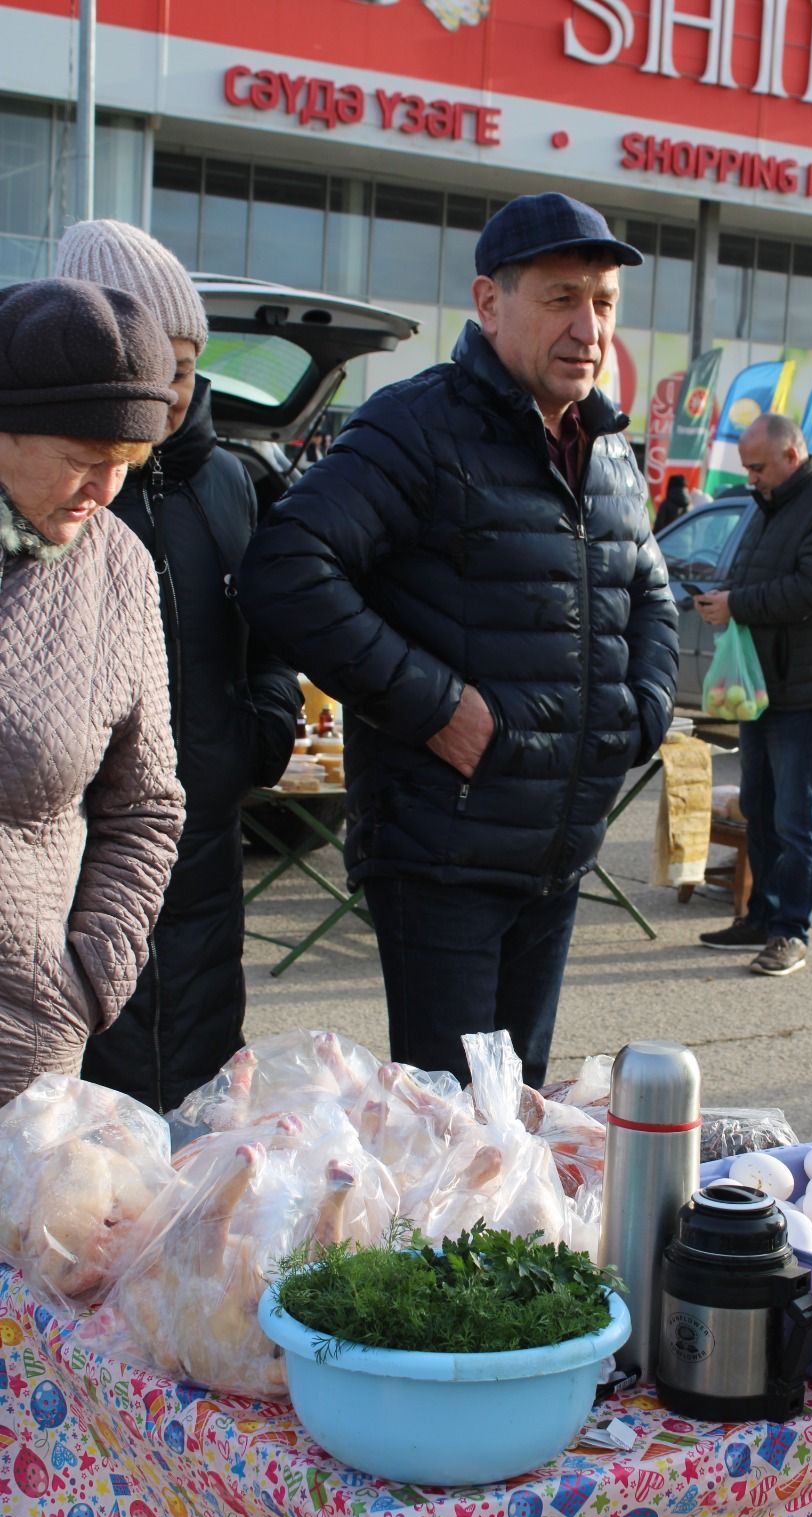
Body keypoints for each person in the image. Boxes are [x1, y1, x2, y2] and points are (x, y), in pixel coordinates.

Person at [239, 191, 678, 1087]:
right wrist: (437, 708)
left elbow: (652, 594)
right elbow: (285, 568)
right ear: (489, 303)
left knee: (513, 1115)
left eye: (602, 305)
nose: (587, 327)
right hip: (444, 853)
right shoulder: (417, 426)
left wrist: (642, 716)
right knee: (449, 1130)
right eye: (560, 298)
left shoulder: (606, 449)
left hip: (558, 847)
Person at [56, 220, 301, 1113]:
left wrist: (259, 733)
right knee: (80, 1128)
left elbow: (268, 634)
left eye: (184, 370)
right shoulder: (56, 486)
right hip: (75, 856)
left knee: (198, 1107)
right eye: (145, 368)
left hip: (204, 851)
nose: (163, 397)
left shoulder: (231, 482)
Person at [0, 278, 185, 1105]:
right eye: (82, 459)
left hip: (29, 1045)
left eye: (126, 465)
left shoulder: (118, 570)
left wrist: (90, 977)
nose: (104, 492)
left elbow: (145, 806)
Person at [695, 413, 812, 976]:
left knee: (796, 818)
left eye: (758, 467)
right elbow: (759, 578)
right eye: (746, 468)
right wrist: (726, 596)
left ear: (792, 455)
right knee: (761, 811)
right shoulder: (770, 506)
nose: (751, 478)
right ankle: (760, 916)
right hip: (760, 689)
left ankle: (792, 931)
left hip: (802, 690)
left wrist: (737, 604)